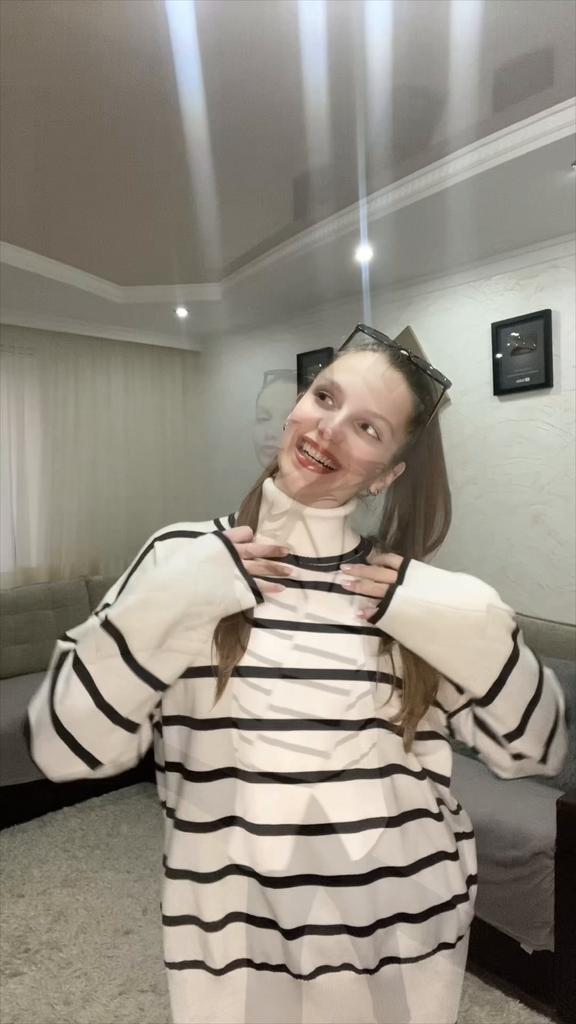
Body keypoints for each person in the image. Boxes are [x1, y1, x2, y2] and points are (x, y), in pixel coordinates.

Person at [24, 323, 568, 1024]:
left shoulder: (411, 592)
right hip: (232, 939)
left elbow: (533, 746)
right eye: (325, 397)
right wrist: (169, 601)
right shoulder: (179, 554)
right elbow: (66, 744)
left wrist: (480, 627)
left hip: (407, 931)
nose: (328, 429)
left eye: (368, 427)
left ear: (387, 474)